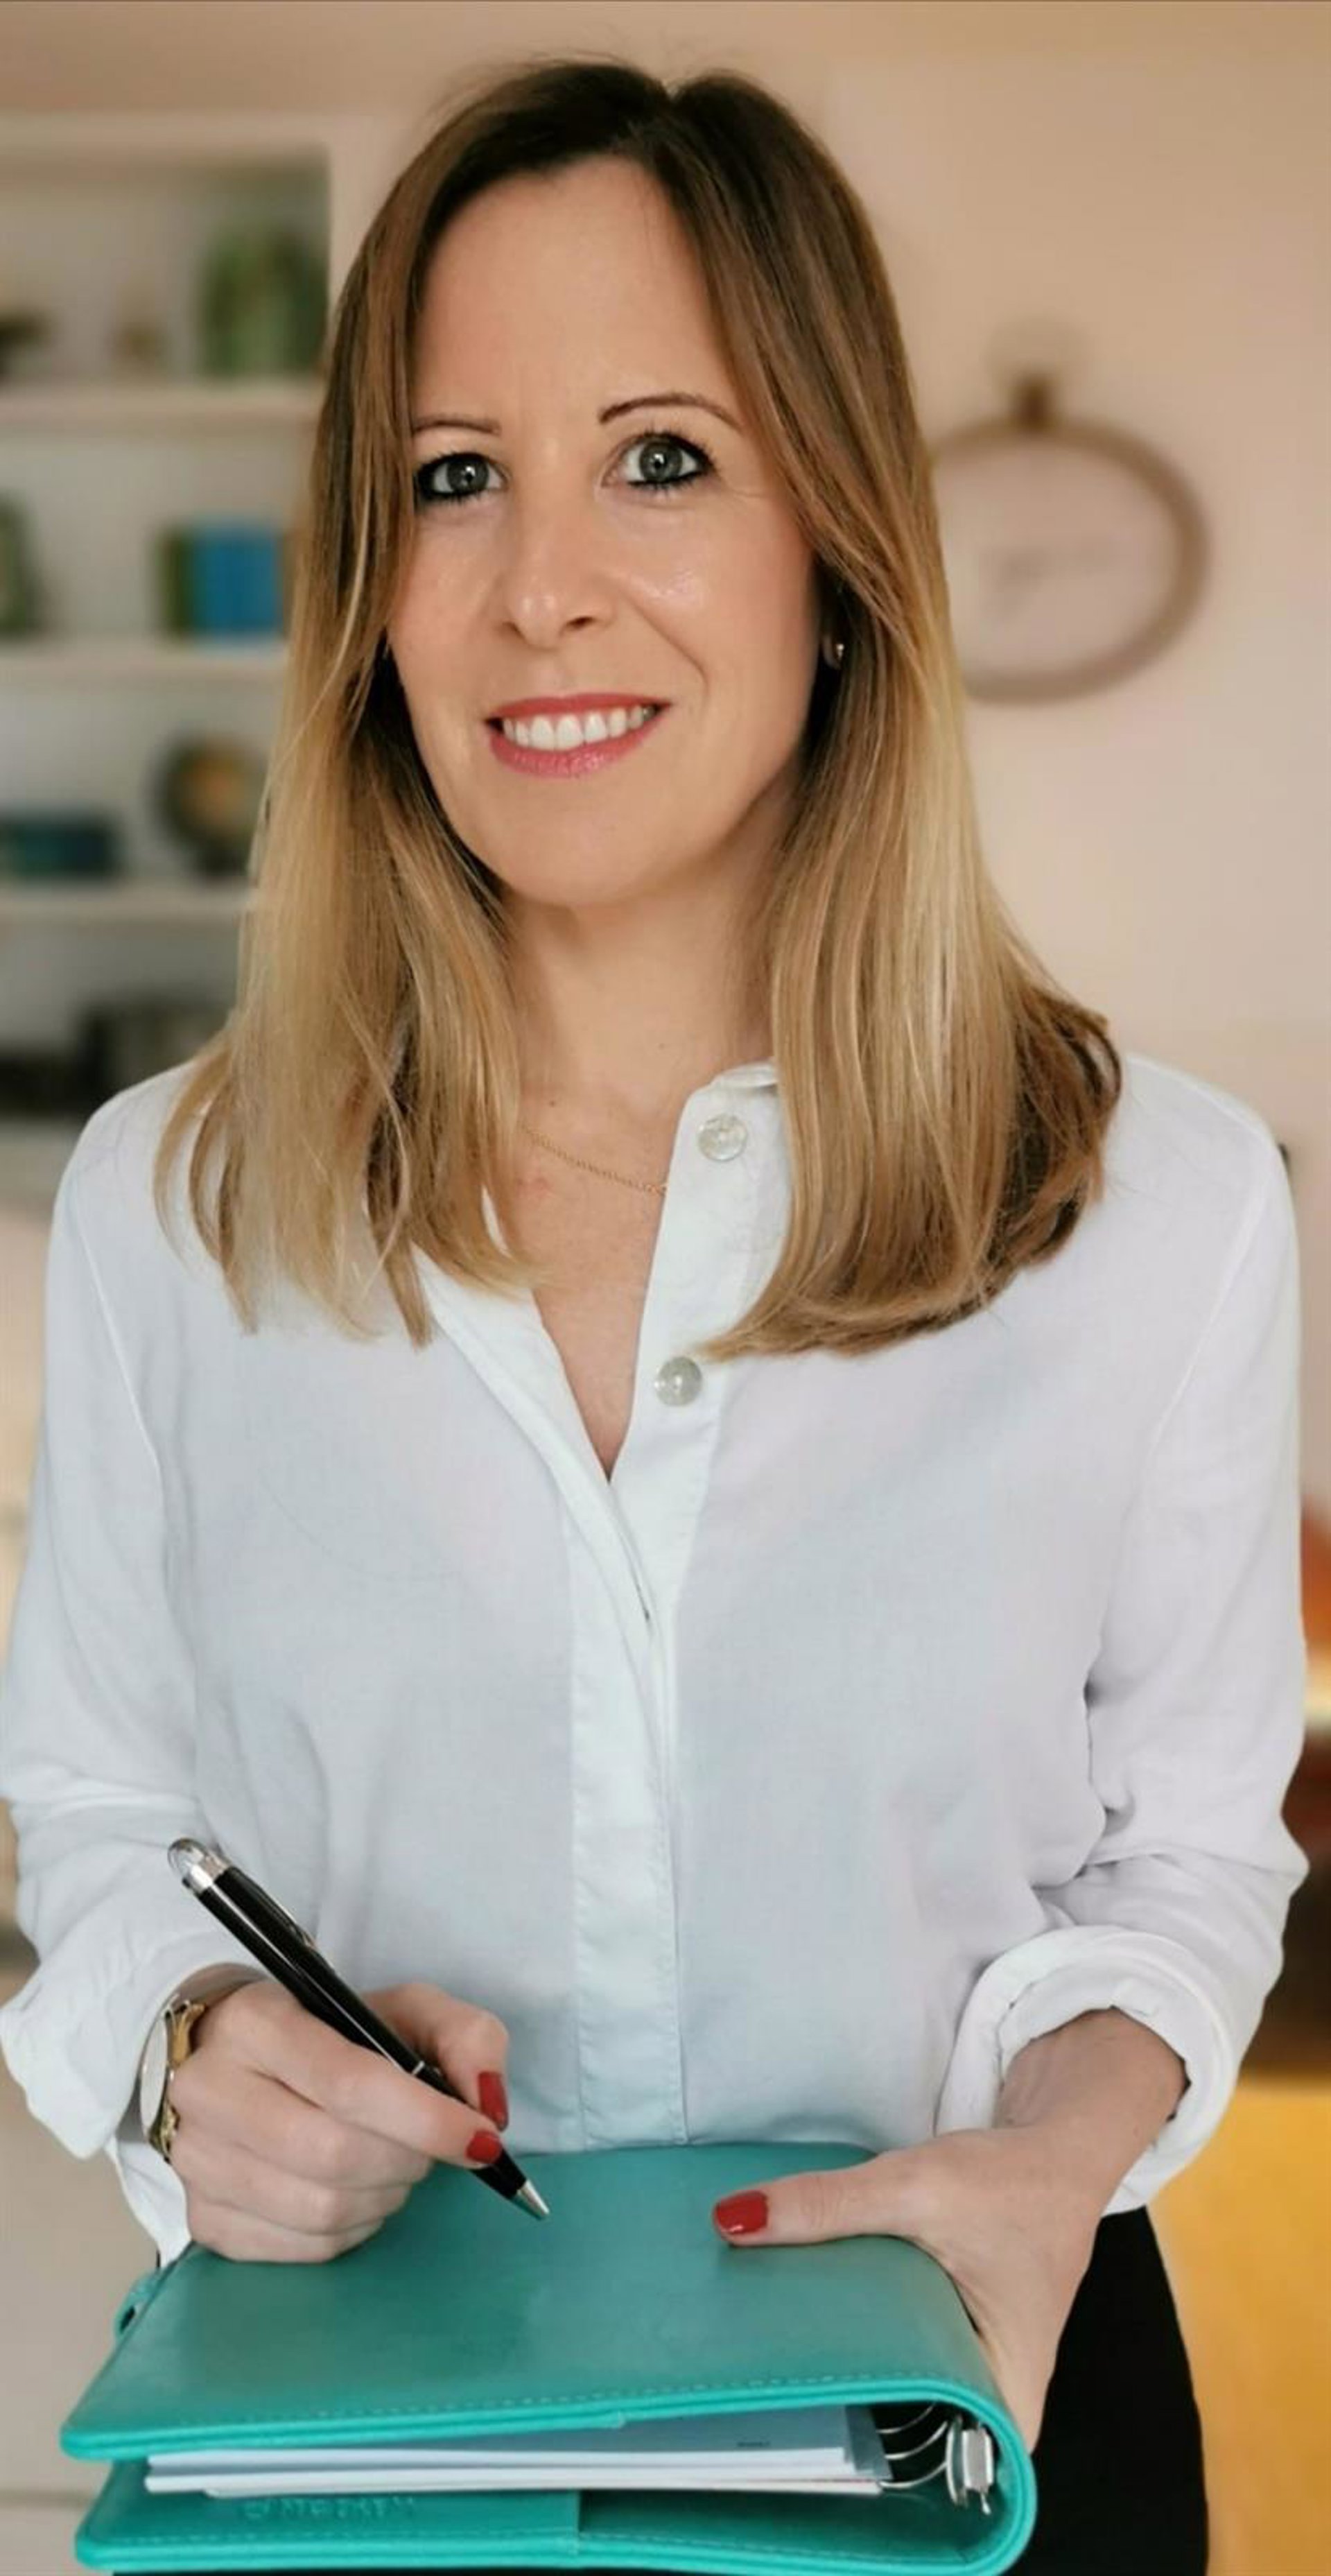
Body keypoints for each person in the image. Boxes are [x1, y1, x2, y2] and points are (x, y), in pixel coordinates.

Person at [0, 55, 1306, 2575]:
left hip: (962, 2397)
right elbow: (100, 1820)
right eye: (452, 476)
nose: (539, 588)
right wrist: (192, 2049)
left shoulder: (1164, 1206)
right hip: (369, 2446)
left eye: (664, 459)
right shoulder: (179, 1203)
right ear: (369, 586)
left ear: (840, 545)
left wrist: (1055, 2154)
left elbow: (1183, 1858)